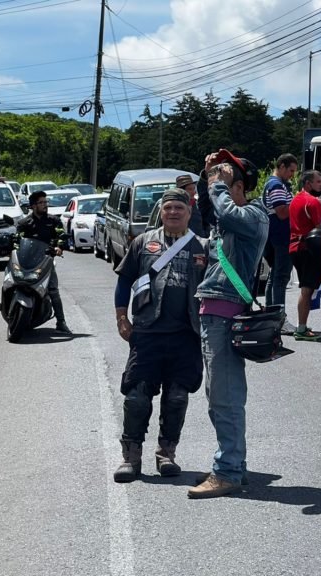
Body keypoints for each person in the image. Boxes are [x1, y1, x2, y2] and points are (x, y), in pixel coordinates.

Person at [112, 188, 209, 482]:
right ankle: (131, 457)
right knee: (137, 397)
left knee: (177, 397)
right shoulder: (143, 242)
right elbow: (124, 280)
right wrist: (121, 317)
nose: (174, 212)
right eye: (168, 208)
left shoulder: (203, 247)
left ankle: (166, 454)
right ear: (161, 212)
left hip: (187, 336)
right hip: (147, 333)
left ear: (189, 213)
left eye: (180, 207)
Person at [188, 150, 268, 499]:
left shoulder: (254, 214)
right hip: (215, 313)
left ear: (239, 187)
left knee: (225, 395)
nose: (216, 189)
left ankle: (228, 470)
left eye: (223, 183)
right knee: (218, 394)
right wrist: (207, 175)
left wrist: (217, 185)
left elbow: (223, 210)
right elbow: (209, 210)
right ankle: (234, 463)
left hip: (226, 312)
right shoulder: (228, 218)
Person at [17, 191, 72, 334]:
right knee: (14, 282)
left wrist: (59, 247)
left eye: (46, 202)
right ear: (33, 206)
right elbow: (17, 241)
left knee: (53, 290)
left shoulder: (53, 221)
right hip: (27, 262)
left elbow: (61, 235)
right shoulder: (24, 223)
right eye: (41, 202)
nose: (45, 205)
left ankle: (61, 322)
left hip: (46, 261)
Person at [261, 153, 297, 334]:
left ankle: (270, 315)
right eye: (290, 170)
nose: (292, 175)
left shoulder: (274, 183)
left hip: (274, 236)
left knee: (274, 277)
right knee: (280, 279)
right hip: (280, 238)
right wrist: (299, 203)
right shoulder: (276, 185)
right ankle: (279, 320)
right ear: (281, 166)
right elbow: (282, 212)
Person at [288, 169, 321, 341]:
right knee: (307, 289)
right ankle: (301, 328)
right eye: (318, 182)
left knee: (306, 288)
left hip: (295, 247)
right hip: (308, 248)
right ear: (308, 183)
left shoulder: (295, 199)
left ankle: (302, 326)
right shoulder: (313, 202)